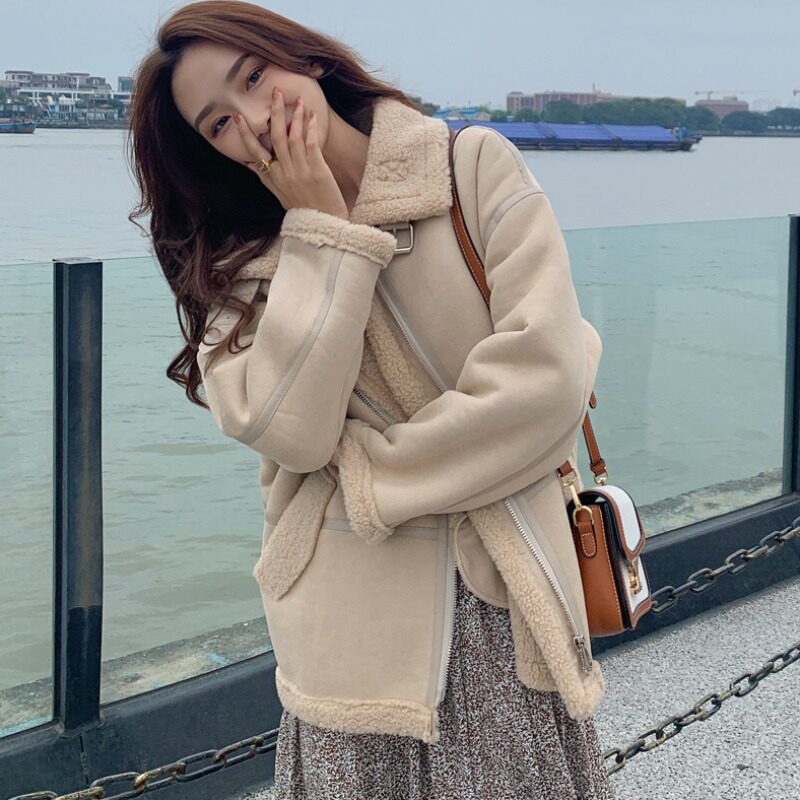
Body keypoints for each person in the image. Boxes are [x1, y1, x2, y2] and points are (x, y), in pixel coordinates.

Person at [127, 1, 615, 797]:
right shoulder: (239, 264)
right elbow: (292, 432)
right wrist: (321, 230)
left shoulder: (469, 168)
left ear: (308, 59)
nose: (255, 119)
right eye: (219, 124)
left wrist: (363, 482)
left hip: (503, 596)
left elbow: (547, 384)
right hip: (348, 631)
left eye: (255, 77)